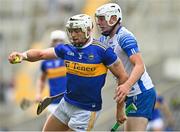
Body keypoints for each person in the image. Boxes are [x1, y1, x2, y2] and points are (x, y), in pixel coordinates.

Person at [8, 14, 130, 131]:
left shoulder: (103, 51)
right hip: (66, 104)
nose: (73, 35)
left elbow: (123, 77)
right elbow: (41, 54)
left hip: (86, 111)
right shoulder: (66, 49)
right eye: (71, 31)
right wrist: (23, 55)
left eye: (77, 31)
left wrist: (120, 109)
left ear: (88, 30)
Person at [95, 3, 156, 131]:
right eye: (98, 19)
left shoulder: (125, 37)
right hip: (128, 94)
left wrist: (126, 86)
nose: (99, 23)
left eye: (102, 19)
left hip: (141, 93)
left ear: (113, 19)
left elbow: (139, 66)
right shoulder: (102, 40)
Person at [35, 30, 67, 114]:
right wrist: (38, 94)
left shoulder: (69, 58)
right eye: (55, 40)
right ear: (51, 42)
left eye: (60, 41)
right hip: (53, 103)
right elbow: (42, 79)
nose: (58, 43)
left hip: (69, 102)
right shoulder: (45, 62)